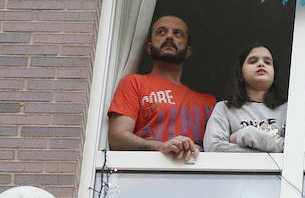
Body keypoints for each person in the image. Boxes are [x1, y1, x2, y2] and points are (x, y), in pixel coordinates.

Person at [107, 15, 218, 161]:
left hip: (194, 180)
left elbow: (219, 147)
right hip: (144, 178)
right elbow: (117, 138)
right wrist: (161, 147)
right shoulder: (134, 83)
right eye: (161, 32)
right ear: (148, 47)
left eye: (178, 33)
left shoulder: (209, 102)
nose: (169, 37)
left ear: (188, 51)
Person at [204, 44, 288, 153]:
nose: (261, 64)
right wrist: (270, 151)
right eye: (253, 61)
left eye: (267, 62)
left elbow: (292, 150)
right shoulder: (225, 108)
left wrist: (246, 135)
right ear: (241, 74)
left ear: (274, 73)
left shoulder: (287, 109)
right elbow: (214, 148)